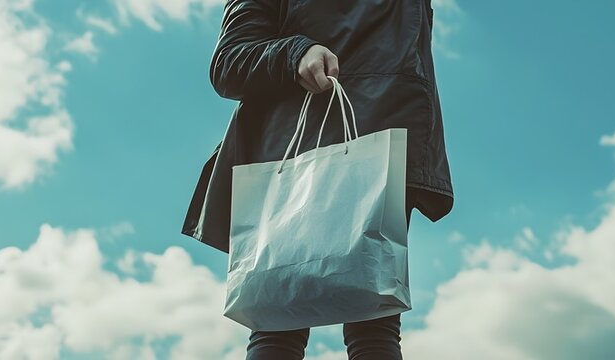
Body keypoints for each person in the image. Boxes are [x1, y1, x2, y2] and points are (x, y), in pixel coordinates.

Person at [180, 0, 454, 359]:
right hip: (303, 150)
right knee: (291, 325)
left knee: (353, 325)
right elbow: (229, 63)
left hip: (382, 139)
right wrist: (296, 53)